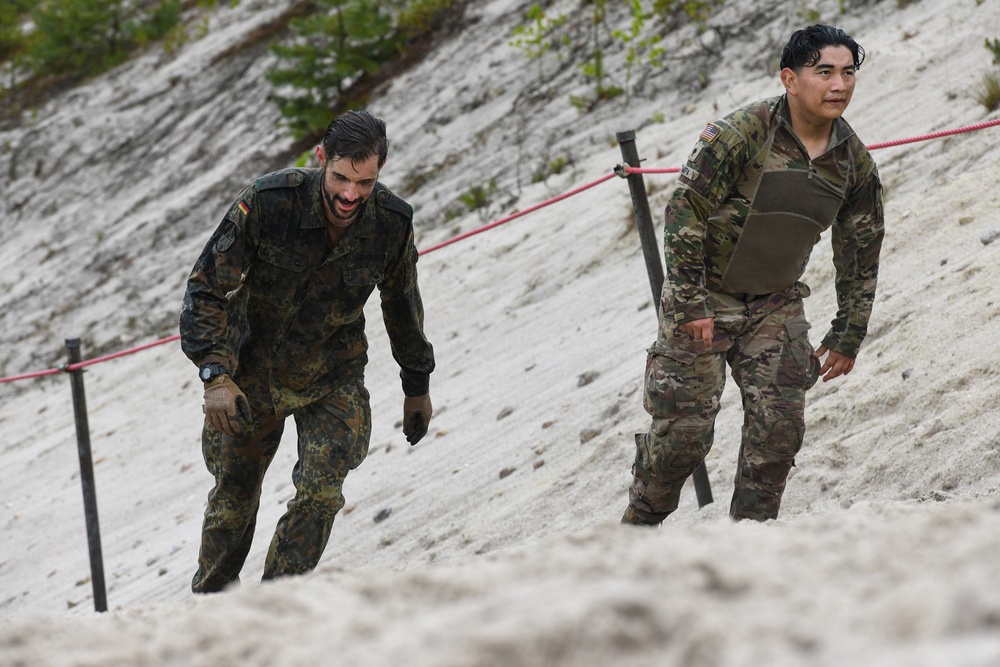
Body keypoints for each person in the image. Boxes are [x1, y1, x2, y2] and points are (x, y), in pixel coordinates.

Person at [621, 24, 884, 525]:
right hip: (705, 297)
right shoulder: (742, 132)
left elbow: (861, 249)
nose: (840, 85)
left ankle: (751, 544)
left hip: (776, 304)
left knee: (778, 433)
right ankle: (637, 530)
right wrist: (690, 304)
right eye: (824, 72)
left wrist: (849, 332)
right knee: (683, 436)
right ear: (790, 77)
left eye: (849, 73)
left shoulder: (853, 161)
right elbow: (685, 212)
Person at [180, 110, 435, 592]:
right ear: (322, 158)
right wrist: (215, 373)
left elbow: (402, 303)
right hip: (250, 373)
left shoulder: (391, 223)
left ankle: (279, 604)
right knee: (234, 498)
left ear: (379, 170)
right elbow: (205, 288)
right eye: (340, 177)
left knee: (321, 493)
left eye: (364, 182)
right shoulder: (269, 201)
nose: (349, 194)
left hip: (331, 375)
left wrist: (416, 382)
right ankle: (210, 607)